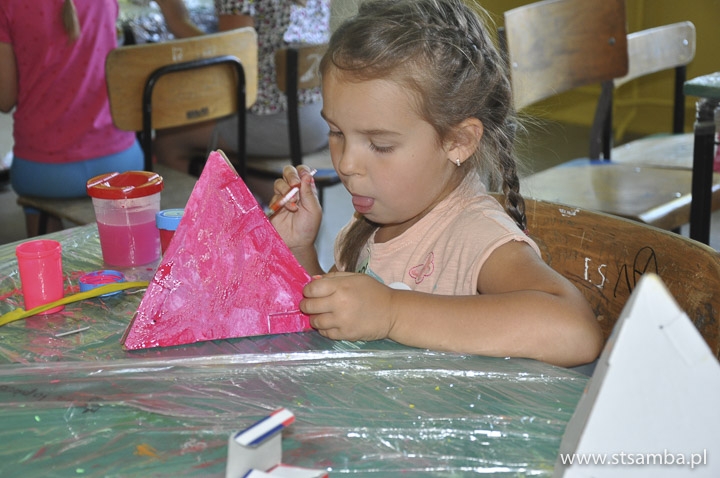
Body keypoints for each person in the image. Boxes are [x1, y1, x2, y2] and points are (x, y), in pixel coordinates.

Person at [269, 0, 603, 368]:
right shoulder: (370, 224)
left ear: (458, 141)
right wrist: (298, 248)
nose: (346, 164)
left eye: (380, 145)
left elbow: (575, 330)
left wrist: (393, 312)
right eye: (336, 132)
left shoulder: (474, 234)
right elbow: (340, 316)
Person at [0, 0, 144, 237]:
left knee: (38, 206)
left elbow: (5, 99)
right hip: (118, 160)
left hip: (43, 171)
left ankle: (45, 256)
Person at [153, 0, 330, 178]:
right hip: (323, 116)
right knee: (220, 152)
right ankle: (260, 194)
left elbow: (230, 57)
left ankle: (242, 196)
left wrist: (177, 19)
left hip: (281, 122)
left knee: (167, 141)